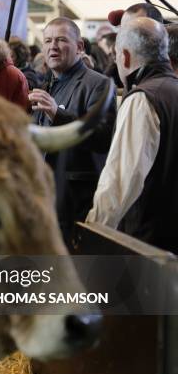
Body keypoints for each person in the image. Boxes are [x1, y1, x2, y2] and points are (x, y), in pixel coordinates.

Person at [86, 17, 178, 254]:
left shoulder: (143, 99)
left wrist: (91, 235)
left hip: (149, 247)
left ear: (124, 56)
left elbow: (119, 182)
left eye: (116, 55)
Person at [29, 17, 116, 245]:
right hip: (43, 202)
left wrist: (58, 114)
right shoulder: (46, 83)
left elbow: (103, 138)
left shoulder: (99, 84)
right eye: (47, 41)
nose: (52, 46)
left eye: (61, 40)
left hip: (75, 204)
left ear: (79, 47)